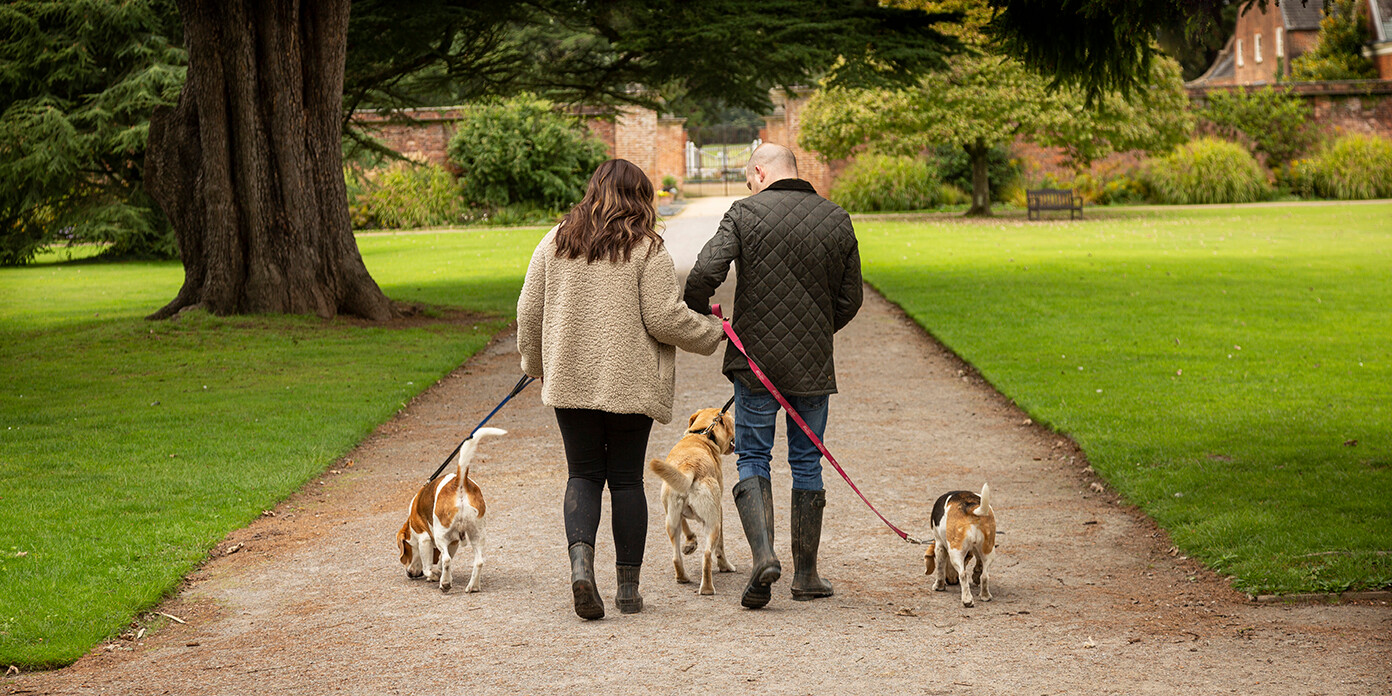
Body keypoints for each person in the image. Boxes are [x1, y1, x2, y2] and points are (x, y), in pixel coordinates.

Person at [517, 158, 724, 620]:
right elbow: (665, 318)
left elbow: (529, 311)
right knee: (627, 480)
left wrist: (536, 365)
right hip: (629, 384)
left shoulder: (554, 241)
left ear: (593, 192)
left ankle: (581, 568)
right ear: (640, 198)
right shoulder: (647, 248)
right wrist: (715, 332)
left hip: (570, 381)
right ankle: (628, 590)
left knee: (583, 476)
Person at [682, 143, 862, 609]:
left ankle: (763, 557)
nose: (749, 187)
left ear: (760, 172)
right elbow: (851, 298)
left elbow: (704, 271)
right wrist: (817, 331)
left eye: (748, 179)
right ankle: (806, 576)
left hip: (755, 362)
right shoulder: (836, 217)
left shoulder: (744, 213)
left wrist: (705, 314)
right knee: (806, 463)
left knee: (753, 458)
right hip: (812, 364)